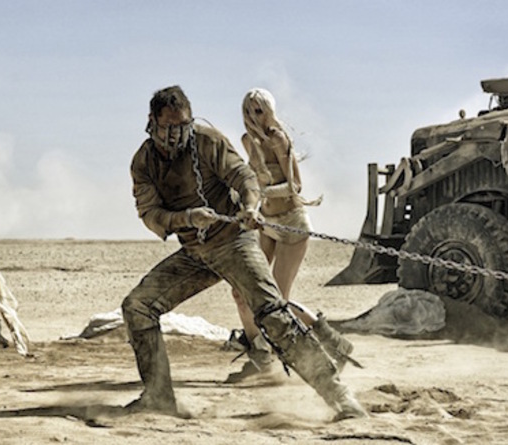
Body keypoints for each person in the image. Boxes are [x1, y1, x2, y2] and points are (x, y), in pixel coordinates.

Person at [122, 85, 366, 421]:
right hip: (194, 252)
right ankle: (158, 397)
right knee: (138, 307)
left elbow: (243, 176)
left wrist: (251, 206)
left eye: (183, 125)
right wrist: (188, 218)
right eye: (169, 126)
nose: (177, 133)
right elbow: (151, 216)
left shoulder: (207, 141)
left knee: (272, 312)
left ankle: (340, 398)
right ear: (152, 121)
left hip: (234, 242)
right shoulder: (143, 163)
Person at [226, 88, 354, 382]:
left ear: (269, 111)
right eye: (248, 110)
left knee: (276, 302)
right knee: (241, 292)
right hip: (266, 224)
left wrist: (262, 192)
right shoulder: (247, 141)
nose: (253, 116)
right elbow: (250, 182)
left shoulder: (278, 139)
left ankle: (335, 345)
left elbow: (295, 185)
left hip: (292, 223)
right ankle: (260, 355)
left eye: (259, 110)